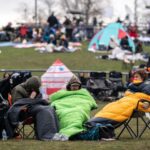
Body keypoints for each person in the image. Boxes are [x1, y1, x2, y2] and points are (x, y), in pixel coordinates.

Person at [85, 69, 150, 140]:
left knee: (118, 109)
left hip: (135, 104)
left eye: (137, 76)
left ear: (142, 77)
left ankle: (97, 122)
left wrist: (146, 102)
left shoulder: (146, 85)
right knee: (110, 106)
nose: (135, 78)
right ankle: (96, 120)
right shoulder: (131, 86)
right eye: (134, 76)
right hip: (126, 100)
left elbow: (147, 97)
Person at [6, 76, 59, 140]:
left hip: (34, 108)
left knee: (50, 108)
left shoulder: (34, 89)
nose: (35, 90)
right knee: (44, 110)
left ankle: (54, 133)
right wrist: (31, 99)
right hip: (23, 113)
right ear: (31, 86)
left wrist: (39, 99)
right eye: (34, 88)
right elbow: (17, 105)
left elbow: (38, 100)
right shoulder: (17, 89)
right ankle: (46, 135)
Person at [50, 75, 97, 141]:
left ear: (79, 86)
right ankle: (73, 131)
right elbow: (53, 100)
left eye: (77, 86)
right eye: (73, 86)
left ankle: (67, 133)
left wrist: (87, 104)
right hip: (64, 108)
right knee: (65, 113)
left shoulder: (84, 93)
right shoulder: (62, 93)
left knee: (78, 112)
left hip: (80, 108)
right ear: (69, 86)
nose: (75, 87)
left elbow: (92, 102)